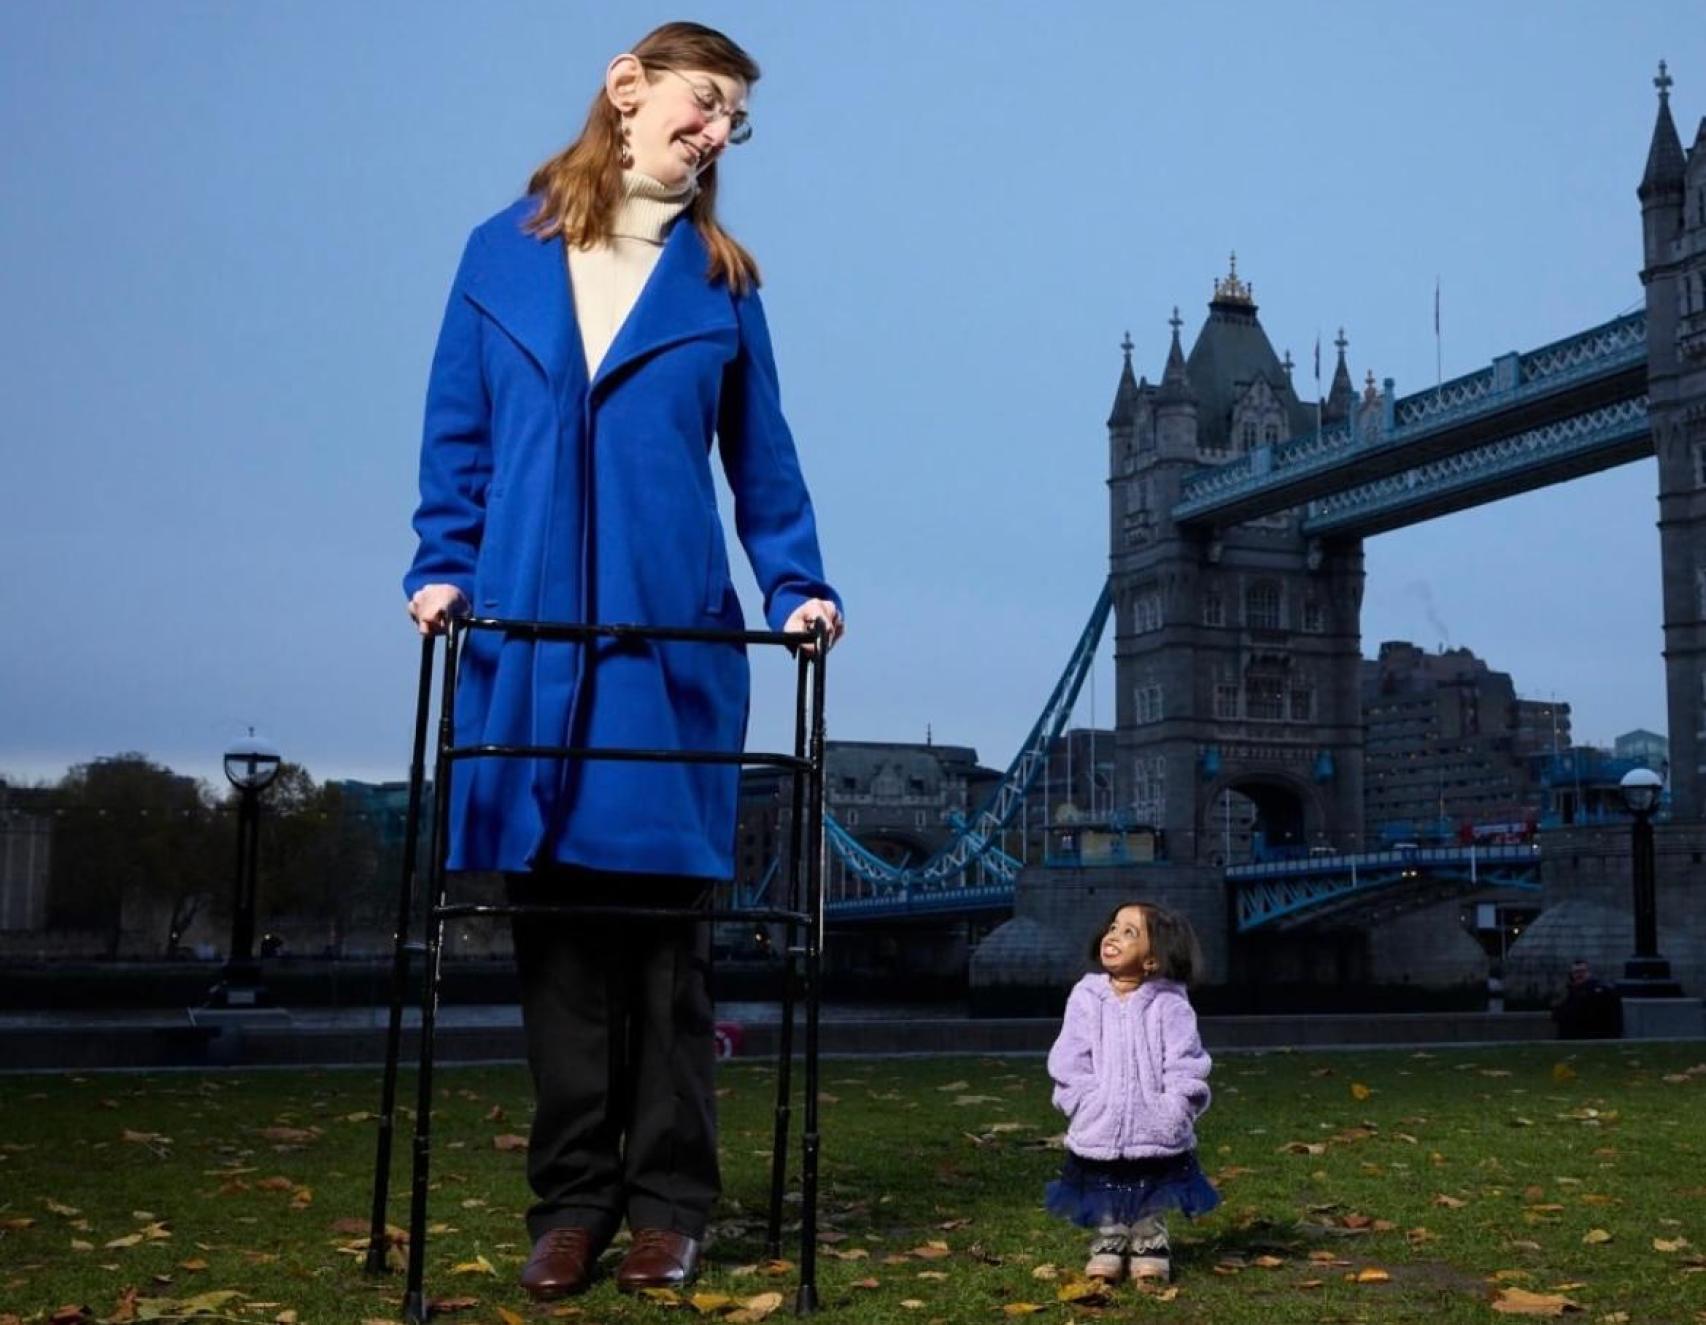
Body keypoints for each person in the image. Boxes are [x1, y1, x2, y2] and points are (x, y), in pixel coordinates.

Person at [402, 21, 843, 1301]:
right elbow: (456, 434)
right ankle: (571, 1204)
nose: (714, 138)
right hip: (527, 646)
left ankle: (668, 1205)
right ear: (626, 90)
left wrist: (798, 583)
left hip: (667, 649)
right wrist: (441, 562)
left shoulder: (720, 281)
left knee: (663, 955)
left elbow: (763, 459)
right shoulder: (500, 255)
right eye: (703, 107)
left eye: (732, 126)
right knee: (556, 953)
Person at [1045, 903, 1219, 1285]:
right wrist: (1081, 1100)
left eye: (1129, 932)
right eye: (1112, 927)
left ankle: (1149, 1237)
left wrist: (1176, 1107)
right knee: (1104, 1185)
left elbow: (1186, 1061)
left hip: (1155, 1121)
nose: (1113, 936)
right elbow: (1069, 1056)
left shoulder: (1170, 1002)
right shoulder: (1086, 996)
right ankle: (1109, 1238)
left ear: (1153, 960)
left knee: (1149, 1185)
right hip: (1099, 1118)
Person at [1553, 958, 1622, 1039]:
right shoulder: (1568, 993)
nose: (1579, 975)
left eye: (1582, 971)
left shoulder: (1602, 992)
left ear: (1588, 973)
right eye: (1576, 972)